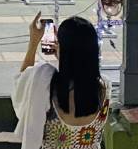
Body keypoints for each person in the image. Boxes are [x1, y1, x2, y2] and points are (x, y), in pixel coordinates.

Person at [11, 13, 108, 149]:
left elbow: (22, 84)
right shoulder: (104, 87)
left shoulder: (45, 83)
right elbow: (80, 74)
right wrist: (65, 56)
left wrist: (33, 43)